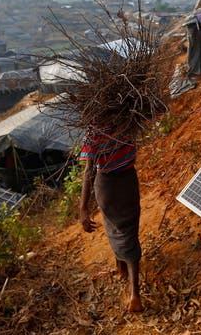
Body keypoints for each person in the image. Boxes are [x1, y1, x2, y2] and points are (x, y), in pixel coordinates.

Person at [79, 125, 143, 313]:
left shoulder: (94, 132)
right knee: (130, 231)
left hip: (107, 187)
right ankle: (132, 288)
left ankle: (130, 287)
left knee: (115, 229)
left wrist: (83, 207)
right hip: (128, 182)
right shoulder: (128, 119)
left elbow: (89, 170)